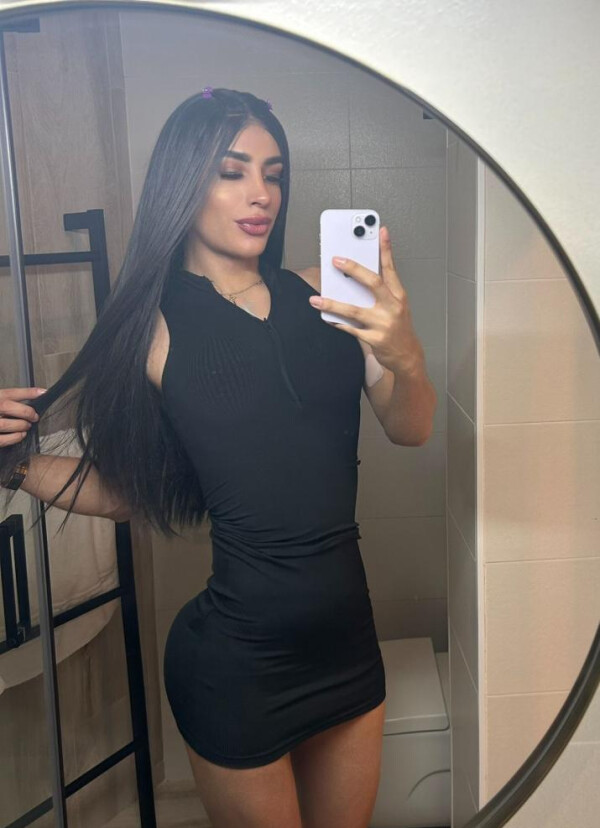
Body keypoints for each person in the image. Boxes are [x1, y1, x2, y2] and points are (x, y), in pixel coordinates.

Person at [0, 88, 435, 828]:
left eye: (273, 173)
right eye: (231, 172)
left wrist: (407, 356)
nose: (261, 193)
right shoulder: (149, 328)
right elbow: (131, 491)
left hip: (349, 648)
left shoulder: (332, 297)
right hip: (236, 665)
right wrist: (12, 467)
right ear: (183, 182)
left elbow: (411, 427)